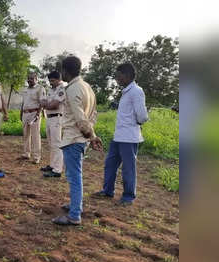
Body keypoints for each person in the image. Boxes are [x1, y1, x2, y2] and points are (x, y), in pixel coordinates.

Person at [52, 56, 103, 226]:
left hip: (74, 138)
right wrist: (92, 136)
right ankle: (75, 206)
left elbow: (81, 119)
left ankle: (74, 215)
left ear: (65, 71)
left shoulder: (73, 89)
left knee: (74, 177)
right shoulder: (87, 87)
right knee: (75, 175)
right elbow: (93, 115)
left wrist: (90, 135)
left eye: (62, 71)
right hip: (80, 139)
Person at [92, 63, 148, 206]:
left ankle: (128, 196)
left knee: (128, 168)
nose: (117, 79)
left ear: (127, 75)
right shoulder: (126, 92)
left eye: (119, 76)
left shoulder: (136, 91)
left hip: (129, 137)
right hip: (119, 136)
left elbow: (142, 116)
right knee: (110, 164)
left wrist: (134, 123)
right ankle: (107, 190)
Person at [41, 71, 66, 177]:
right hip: (49, 118)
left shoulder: (62, 89)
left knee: (57, 144)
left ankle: (57, 170)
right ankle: (52, 165)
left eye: (53, 80)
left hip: (57, 118)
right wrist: (47, 104)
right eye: (50, 80)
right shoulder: (51, 89)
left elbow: (54, 105)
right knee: (51, 144)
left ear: (59, 79)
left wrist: (47, 104)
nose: (51, 83)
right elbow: (43, 102)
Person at [20, 72, 45, 164]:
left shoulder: (40, 88)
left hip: (34, 113)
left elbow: (42, 102)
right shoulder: (25, 89)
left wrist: (38, 114)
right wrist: (21, 113)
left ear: (36, 79)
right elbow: (23, 102)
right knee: (25, 134)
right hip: (25, 114)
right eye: (28, 78)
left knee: (35, 135)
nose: (29, 80)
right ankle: (26, 153)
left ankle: (36, 157)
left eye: (31, 78)